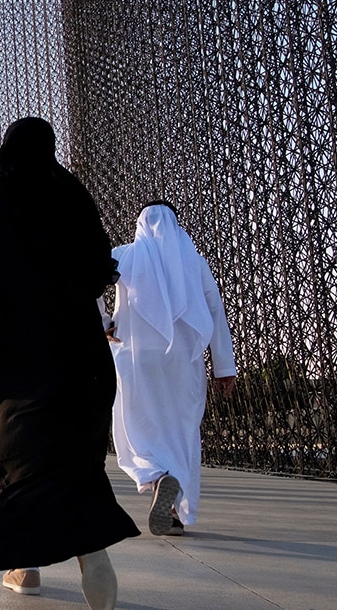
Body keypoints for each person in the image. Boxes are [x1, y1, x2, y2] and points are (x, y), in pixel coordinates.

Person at [0, 117, 138, 609]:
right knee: (72, 466)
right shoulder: (72, 199)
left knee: (11, 461)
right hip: (81, 358)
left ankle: (24, 566)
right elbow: (99, 271)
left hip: (10, 359)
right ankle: (88, 559)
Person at [105, 201, 237, 536]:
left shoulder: (124, 255)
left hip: (136, 357)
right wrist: (224, 366)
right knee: (181, 433)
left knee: (136, 428)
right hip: (184, 361)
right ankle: (176, 511)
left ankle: (156, 476)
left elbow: (86, 281)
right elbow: (215, 309)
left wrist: (103, 322)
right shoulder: (194, 261)